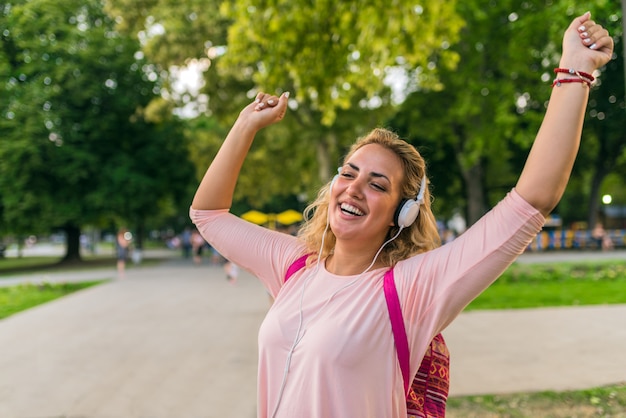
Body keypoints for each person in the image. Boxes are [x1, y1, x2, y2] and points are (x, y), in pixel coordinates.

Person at [190, 12, 613, 418]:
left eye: (377, 184)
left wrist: (575, 72)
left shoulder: (409, 290)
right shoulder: (294, 266)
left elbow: (532, 201)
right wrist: (245, 125)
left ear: (403, 213)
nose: (354, 188)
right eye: (348, 173)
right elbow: (207, 213)